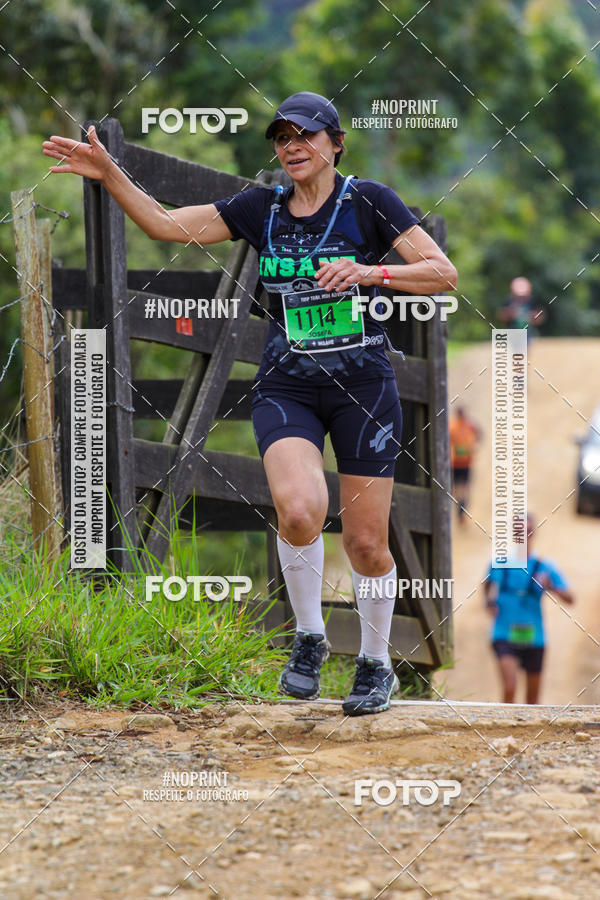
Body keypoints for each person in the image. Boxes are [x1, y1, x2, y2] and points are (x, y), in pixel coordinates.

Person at [43, 91, 457, 716]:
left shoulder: (369, 201)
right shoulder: (260, 206)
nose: (292, 146)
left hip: (363, 386)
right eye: (281, 137)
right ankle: (310, 641)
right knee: (298, 511)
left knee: (368, 544)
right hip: (288, 381)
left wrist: (369, 273)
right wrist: (111, 173)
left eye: (306, 135)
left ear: (335, 143)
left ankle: (375, 664)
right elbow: (166, 225)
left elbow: (442, 272)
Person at [483, 513, 574, 704]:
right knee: (509, 688)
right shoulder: (499, 562)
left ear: (533, 534)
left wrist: (552, 587)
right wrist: (488, 602)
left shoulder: (545, 566)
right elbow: (486, 584)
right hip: (504, 634)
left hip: (534, 637)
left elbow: (570, 598)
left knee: (532, 702)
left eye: (527, 531)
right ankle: (505, 730)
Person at [448, 406, 480, 524]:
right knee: (460, 490)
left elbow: (479, 435)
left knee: (461, 490)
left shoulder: (464, 426)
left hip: (462, 464)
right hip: (458, 464)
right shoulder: (455, 426)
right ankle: (460, 512)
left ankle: (460, 512)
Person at [497, 277, 546, 341]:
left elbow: (541, 317)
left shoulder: (533, 301)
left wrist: (533, 317)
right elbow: (500, 315)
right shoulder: (509, 301)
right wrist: (510, 314)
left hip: (528, 333)